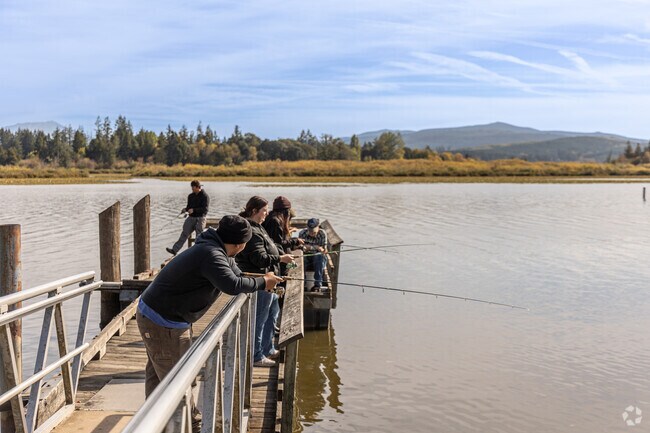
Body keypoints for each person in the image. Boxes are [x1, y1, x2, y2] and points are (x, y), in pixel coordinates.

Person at [137, 215, 283, 432]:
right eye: (244, 245)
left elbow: (236, 273)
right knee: (179, 382)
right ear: (239, 244)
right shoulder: (211, 254)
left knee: (160, 378)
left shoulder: (214, 248)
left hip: (158, 317)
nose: (243, 249)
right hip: (163, 322)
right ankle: (191, 426)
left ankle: (154, 424)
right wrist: (263, 282)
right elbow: (232, 285)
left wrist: (261, 279)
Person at [236, 196, 295, 367]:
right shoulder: (252, 231)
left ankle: (268, 348)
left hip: (271, 282)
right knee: (259, 320)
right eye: (264, 210)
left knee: (272, 314)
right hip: (261, 282)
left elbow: (269, 249)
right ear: (254, 211)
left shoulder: (259, 227)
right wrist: (280, 258)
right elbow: (259, 258)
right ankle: (256, 356)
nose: (266, 213)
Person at [166, 180, 210, 256]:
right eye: (192, 187)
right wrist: (185, 209)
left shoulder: (205, 196)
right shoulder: (190, 196)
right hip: (191, 218)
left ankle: (198, 252)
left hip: (200, 218)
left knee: (199, 235)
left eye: (193, 188)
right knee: (184, 233)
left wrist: (194, 210)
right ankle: (174, 250)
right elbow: (189, 207)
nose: (192, 189)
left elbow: (205, 210)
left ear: (198, 187)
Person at [299, 218, 328, 291]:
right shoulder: (302, 233)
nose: (312, 233)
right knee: (302, 259)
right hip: (306, 257)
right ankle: (303, 283)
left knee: (319, 256)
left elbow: (323, 250)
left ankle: (317, 285)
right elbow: (301, 248)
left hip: (318, 259)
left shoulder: (322, 234)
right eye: (310, 231)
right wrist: (315, 247)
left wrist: (309, 247)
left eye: (314, 232)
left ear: (318, 227)